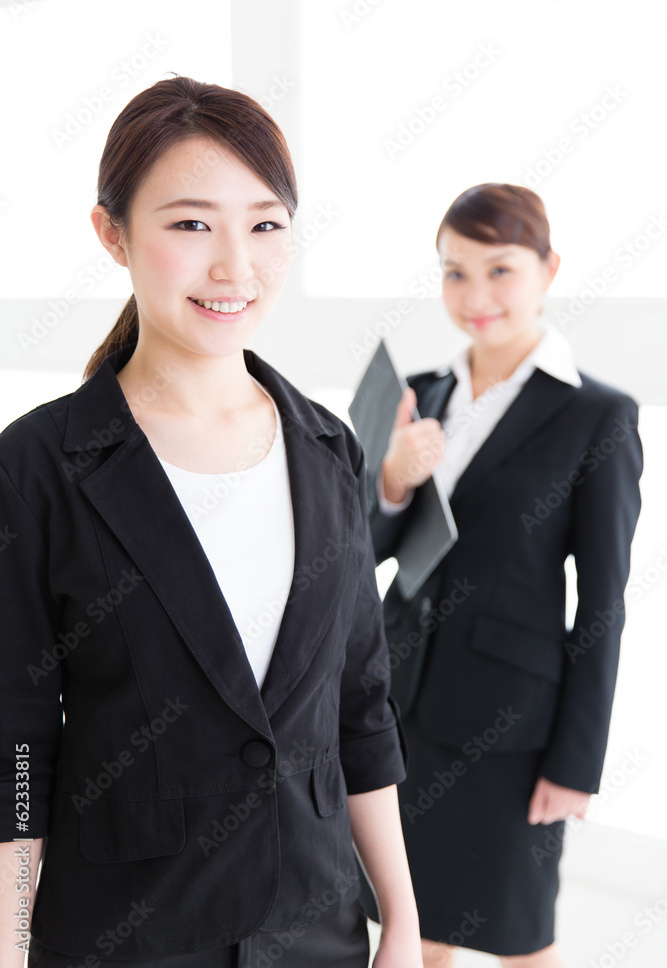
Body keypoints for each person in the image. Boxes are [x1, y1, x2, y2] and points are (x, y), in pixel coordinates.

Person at [0, 76, 423, 968]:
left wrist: (403, 919)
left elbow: (359, 704)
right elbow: (18, 744)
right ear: (111, 234)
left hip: (316, 930)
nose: (236, 265)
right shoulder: (39, 464)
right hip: (126, 935)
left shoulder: (326, 446)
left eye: (265, 224)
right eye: (191, 224)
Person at [361, 184, 643, 967]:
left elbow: (603, 602)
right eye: (454, 273)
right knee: (409, 926)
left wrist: (574, 762)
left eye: (499, 270)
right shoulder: (425, 391)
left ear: (548, 268)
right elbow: (361, 545)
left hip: (507, 726)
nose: (473, 295)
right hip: (395, 702)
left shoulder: (596, 415)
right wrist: (390, 477)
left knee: (519, 936)